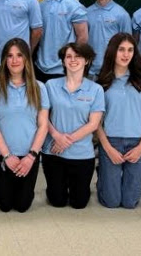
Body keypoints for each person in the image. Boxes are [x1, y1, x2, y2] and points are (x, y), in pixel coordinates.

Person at [0, 38, 48, 213]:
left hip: (29, 155)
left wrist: (31, 156)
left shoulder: (39, 88)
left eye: (19, 55)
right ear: (4, 60)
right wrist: (7, 156)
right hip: (3, 155)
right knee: (4, 205)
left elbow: (43, 125)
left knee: (22, 205)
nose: (14, 60)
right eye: (10, 56)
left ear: (27, 59)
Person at [96, 33, 141, 209]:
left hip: (137, 142)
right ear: (112, 51)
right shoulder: (101, 79)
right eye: (121, 49)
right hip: (111, 142)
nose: (125, 54)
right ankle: (104, 178)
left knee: (130, 202)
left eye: (130, 50)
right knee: (112, 202)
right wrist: (107, 148)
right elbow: (96, 121)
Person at [42, 42, 104, 209]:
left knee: (79, 203)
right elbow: (42, 117)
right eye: (68, 56)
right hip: (53, 151)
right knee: (58, 202)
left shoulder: (96, 89)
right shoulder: (50, 86)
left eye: (78, 56)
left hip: (82, 154)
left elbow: (93, 124)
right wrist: (57, 137)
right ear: (63, 62)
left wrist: (66, 141)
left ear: (86, 61)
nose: (73, 60)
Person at [35, 0, 88, 82]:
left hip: (63, 70)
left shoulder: (75, 6)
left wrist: (72, 63)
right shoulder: (41, 5)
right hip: (40, 68)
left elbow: (83, 38)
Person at [86, 0, 132, 78]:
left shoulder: (122, 14)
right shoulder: (86, 13)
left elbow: (128, 46)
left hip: (112, 72)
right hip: (89, 73)